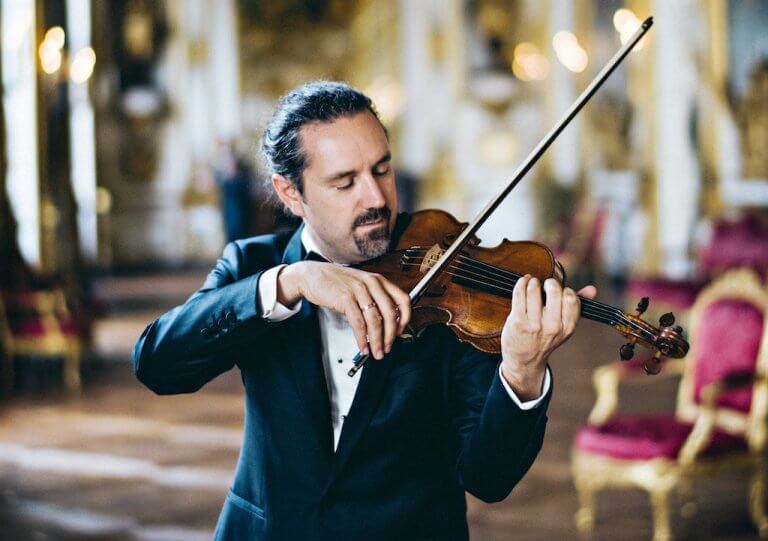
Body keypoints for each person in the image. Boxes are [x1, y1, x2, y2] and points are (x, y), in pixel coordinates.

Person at [132, 81, 597, 541]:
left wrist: (522, 371)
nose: (376, 198)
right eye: (345, 182)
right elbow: (158, 364)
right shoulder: (255, 266)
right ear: (290, 193)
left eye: (382, 170)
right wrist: (293, 281)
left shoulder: (449, 279)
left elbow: (489, 477)